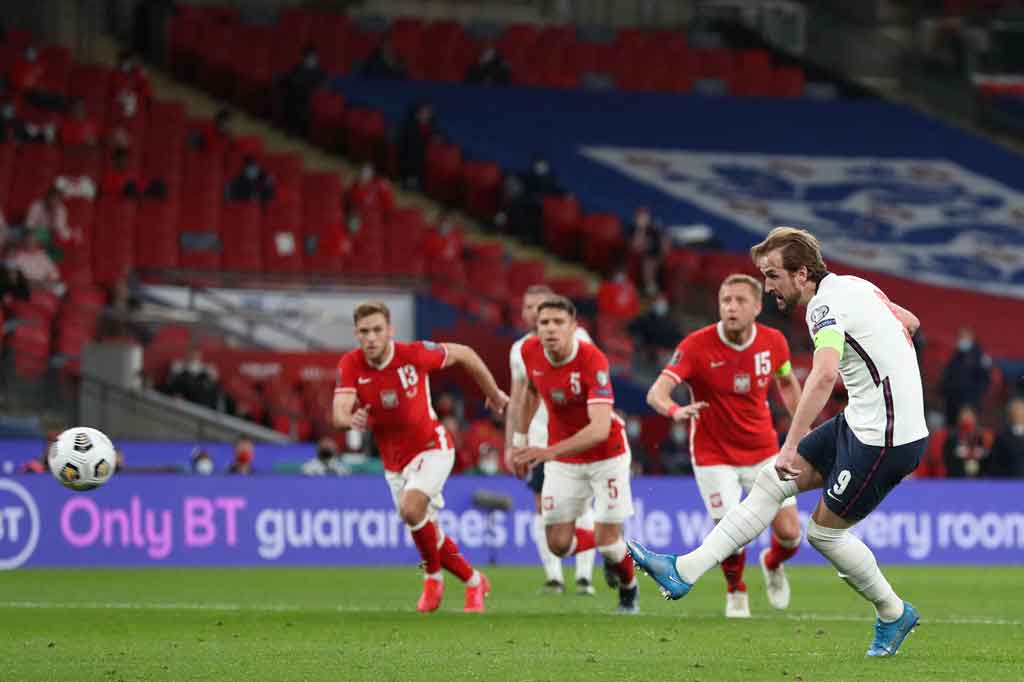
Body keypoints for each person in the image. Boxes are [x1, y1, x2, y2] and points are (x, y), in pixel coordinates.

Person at [629, 226, 929, 657]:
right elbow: (911, 324)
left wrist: (791, 444)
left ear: (802, 273)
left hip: (886, 439)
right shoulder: (855, 285)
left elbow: (824, 374)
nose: (767, 287)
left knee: (824, 535)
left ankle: (892, 611)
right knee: (771, 483)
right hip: (864, 419)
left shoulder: (823, 306)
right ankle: (683, 571)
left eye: (772, 276)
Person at [332, 301, 509, 613]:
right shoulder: (351, 364)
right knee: (427, 529)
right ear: (356, 334)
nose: (371, 337)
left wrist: (493, 394)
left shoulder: (414, 354)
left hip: (433, 447)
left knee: (411, 509)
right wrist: (350, 419)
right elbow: (339, 412)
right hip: (393, 462)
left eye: (377, 330)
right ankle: (473, 581)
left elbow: (465, 353)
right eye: (364, 332)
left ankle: (432, 577)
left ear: (390, 331)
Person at [644, 273, 804, 618]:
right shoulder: (695, 346)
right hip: (713, 454)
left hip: (764, 449)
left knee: (791, 534)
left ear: (758, 307)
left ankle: (772, 563)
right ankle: (736, 591)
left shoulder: (774, 342)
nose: (731, 307)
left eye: (740, 300)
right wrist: (674, 410)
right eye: (725, 301)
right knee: (731, 534)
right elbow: (656, 392)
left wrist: (803, 427)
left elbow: (787, 382)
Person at [507, 296, 639, 613]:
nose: (551, 329)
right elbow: (530, 391)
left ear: (573, 328)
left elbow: (598, 429)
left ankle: (628, 589)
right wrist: (520, 441)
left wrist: (547, 451)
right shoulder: (529, 351)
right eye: (544, 323)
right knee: (558, 544)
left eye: (558, 323)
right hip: (565, 460)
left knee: (608, 542)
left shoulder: (592, 360)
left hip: (607, 455)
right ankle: (614, 548)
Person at [506, 285, 597, 596]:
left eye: (539, 306)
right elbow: (518, 398)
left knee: (581, 505)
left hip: (574, 439)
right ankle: (554, 577)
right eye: (528, 306)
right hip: (538, 439)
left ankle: (585, 576)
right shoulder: (520, 350)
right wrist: (513, 444)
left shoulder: (580, 339)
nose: (533, 312)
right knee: (542, 508)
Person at [940, 327, 992, 426]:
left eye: (964, 337)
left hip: (970, 403)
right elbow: (948, 376)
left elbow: (985, 380)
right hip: (952, 402)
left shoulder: (980, 357)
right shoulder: (956, 356)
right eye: (960, 337)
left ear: (971, 338)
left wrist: (973, 398)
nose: (962, 340)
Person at [278, 45, 326, 136]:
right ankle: (288, 127)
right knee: (286, 95)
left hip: (307, 98)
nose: (311, 59)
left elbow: (319, 86)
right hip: (294, 96)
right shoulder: (298, 68)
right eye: (308, 56)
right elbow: (288, 78)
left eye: (313, 57)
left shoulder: (320, 72)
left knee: (300, 104)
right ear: (304, 57)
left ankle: (298, 130)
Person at [942, 404, 993, 478]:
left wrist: (980, 453)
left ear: (975, 418)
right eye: (963, 415)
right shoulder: (952, 438)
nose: (966, 418)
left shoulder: (983, 437)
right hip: (957, 478)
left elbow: (990, 458)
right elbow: (947, 459)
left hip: (980, 478)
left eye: (969, 415)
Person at [398, 102, 440, 189]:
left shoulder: (432, 127)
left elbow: (436, 139)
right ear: (417, 114)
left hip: (423, 157)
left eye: (427, 113)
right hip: (408, 155)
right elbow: (405, 139)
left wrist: (434, 140)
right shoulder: (409, 125)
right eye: (423, 113)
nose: (425, 115)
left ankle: (415, 182)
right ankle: (408, 181)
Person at [987, 398, 1024, 478]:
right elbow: (995, 463)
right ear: (1009, 415)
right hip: (1009, 482)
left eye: (1020, 411)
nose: (1018, 414)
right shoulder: (1001, 438)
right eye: (1015, 412)